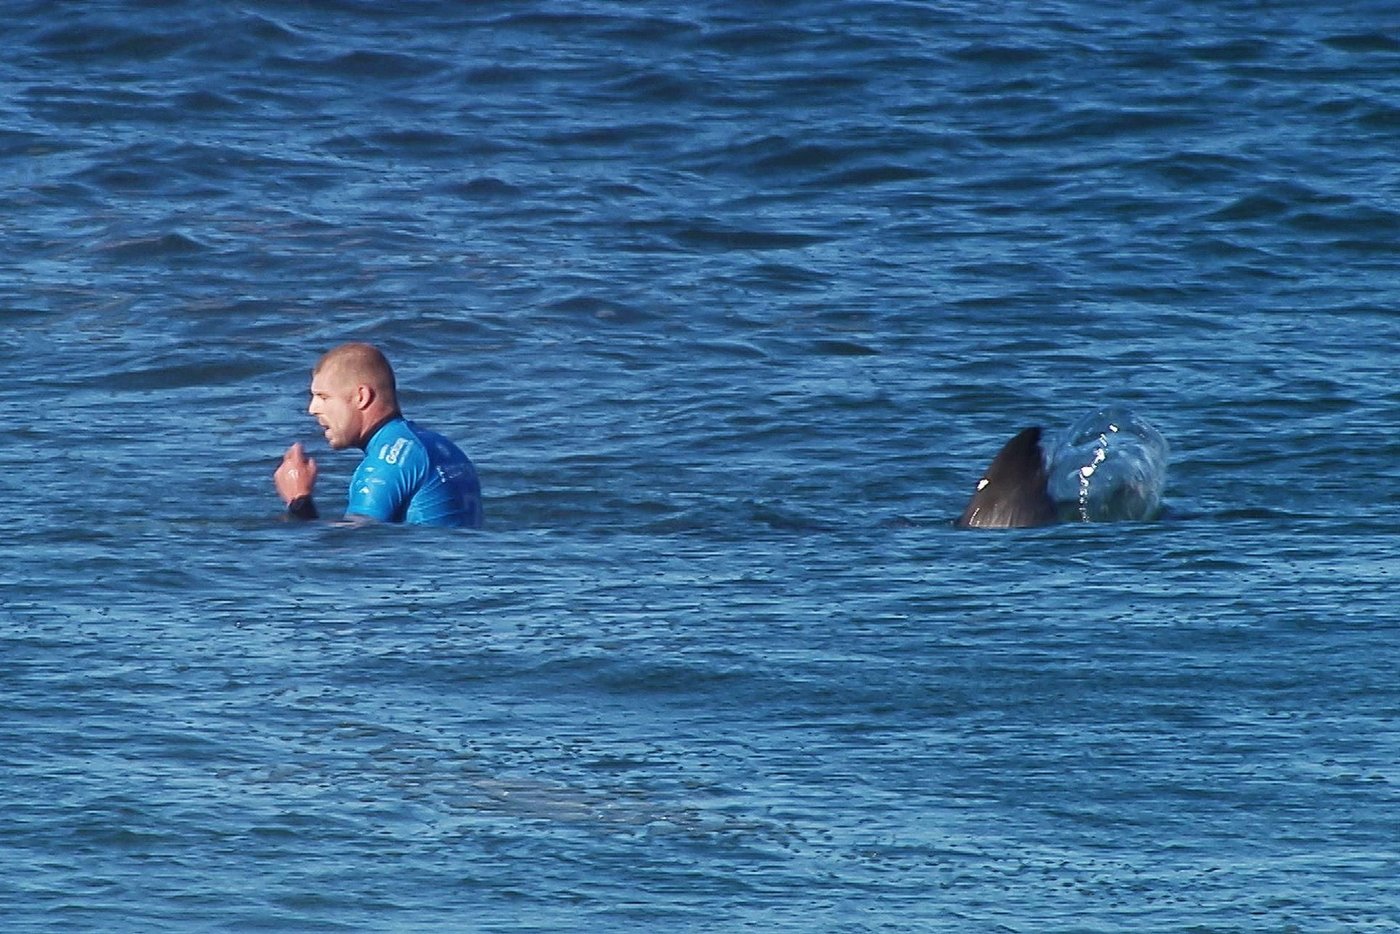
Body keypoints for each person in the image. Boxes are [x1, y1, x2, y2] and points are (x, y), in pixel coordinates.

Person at [273, 342, 483, 528]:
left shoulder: (385, 463)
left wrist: (299, 499)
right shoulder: (439, 446)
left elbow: (353, 552)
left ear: (361, 397)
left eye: (323, 397)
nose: (312, 409)